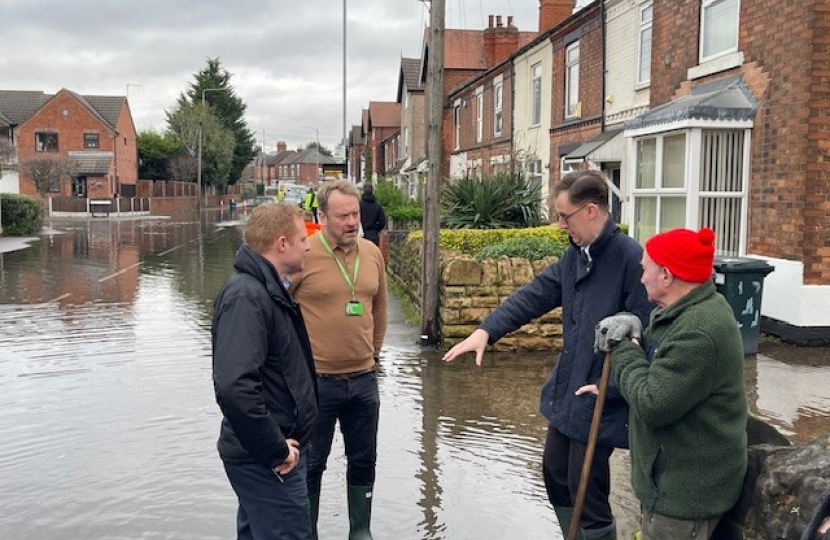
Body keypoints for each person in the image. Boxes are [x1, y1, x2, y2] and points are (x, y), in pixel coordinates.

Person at [443, 170, 653, 540]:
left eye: (563, 216)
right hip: (569, 386)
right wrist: (486, 331)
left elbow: (647, 337)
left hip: (598, 394)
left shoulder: (629, 259)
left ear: (590, 211)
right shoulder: (576, 255)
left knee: (586, 490)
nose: (558, 225)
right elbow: (536, 294)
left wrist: (614, 388)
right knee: (555, 473)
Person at [594, 227, 748, 540]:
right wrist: (635, 330)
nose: (640, 278)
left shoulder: (699, 331)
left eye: (645, 269)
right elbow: (659, 367)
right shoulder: (685, 313)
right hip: (675, 480)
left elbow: (653, 402)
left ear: (666, 276)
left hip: (685, 497)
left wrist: (622, 346)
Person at [211, 203, 318, 540]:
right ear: (282, 243)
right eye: (303, 238)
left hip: (267, 456)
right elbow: (234, 387)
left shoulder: (266, 289)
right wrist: (276, 449)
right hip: (268, 462)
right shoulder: (247, 296)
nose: (309, 245)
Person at [290, 180, 388, 540]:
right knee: (312, 463)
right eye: (343, 215)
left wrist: (373, 354)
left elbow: (379, 307)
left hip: (363, 380)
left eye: (355, 214)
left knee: (364, 460)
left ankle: (360, 531)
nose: (351, 222)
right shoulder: (304, 254)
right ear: (323, 216)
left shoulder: (371, 252)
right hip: (317, 382)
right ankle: (308, 531)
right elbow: (281, 311)